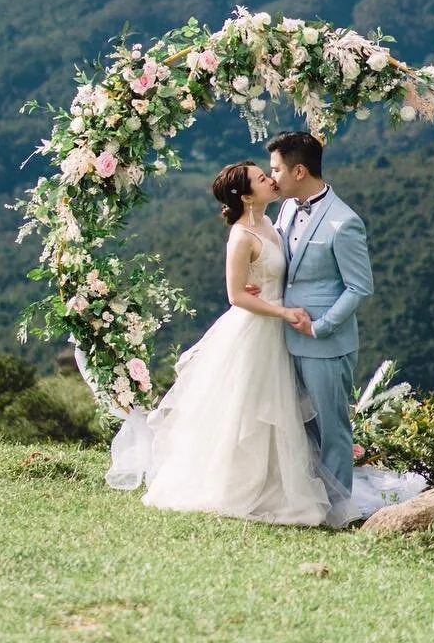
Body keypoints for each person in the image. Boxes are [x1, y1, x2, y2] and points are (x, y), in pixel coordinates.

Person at [133, 160, 342, 526]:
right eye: (262, 179)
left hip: (275, 329)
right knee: (250, 409)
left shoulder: (272, 221)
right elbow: (236, 296)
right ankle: (237, 484)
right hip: (257, 330)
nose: (270, 180)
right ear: (246, 197)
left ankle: (273, 481)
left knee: (276, 408)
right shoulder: (242, 236)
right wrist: (283, 313)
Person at [268, 130, 374, 500]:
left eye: (277, 169)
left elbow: (359, 287)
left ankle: (337, 508)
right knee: (299, 428)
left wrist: (320, 327)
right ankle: (306, 501)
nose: (272, 178)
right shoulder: (284, 208)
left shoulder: (344, 222)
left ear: (299, 171)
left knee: (332, 429)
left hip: (325, 344)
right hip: (284, 339)